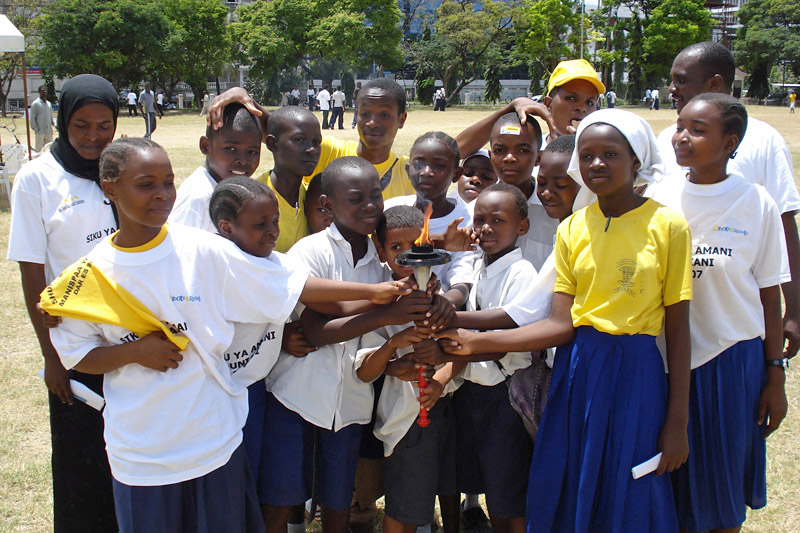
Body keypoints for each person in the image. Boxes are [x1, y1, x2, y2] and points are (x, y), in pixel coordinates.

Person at [43, 139, 414, 532]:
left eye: (168, 182)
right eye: (145, 184)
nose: (162, 195)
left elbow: (292, 283)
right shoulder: (91, 275)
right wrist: (136, 352)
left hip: (213, 441)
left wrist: (373, 292)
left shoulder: (201, 250)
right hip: (144, 453)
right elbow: (77, 353)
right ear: (109, 188)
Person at [439, 109, 693, 532]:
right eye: (587, 155)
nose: (596, 164)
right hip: (577, 368)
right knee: (573, 475)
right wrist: (472, 339)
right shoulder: (574, 228)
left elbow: (679, 329)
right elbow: (560, 325)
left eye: (610, 154)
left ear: (636, 161)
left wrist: (678, 422)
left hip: (636, 371)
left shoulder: (667, 225)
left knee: (629, 477)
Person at [647, 93, 789, 533]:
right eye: (680, 125)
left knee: (723, 495)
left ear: (730, 143)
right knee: (667, 486)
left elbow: (769, 298)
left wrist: (775, 375)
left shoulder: (756, 202)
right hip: (664, 362)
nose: (681, 137)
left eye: (698, 129)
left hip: (731, 364)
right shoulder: (656, 198)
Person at [259, 157, 414, 533]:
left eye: (376, 196)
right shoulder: (310, 253)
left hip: (350, 405)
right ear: (327, 205)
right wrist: (385, 311)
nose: (370, 206)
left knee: (338, 497)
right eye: (356, 198)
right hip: (295, 395)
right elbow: (313, 329)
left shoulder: (384, 267)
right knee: (281, 497)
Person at [7, 73, 121, 532]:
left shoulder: (120, 166)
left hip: (128, 342)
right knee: (81, 462)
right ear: (62, 122)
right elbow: (32, 273)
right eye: (81, 126)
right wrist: (51, 357)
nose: (94, 137)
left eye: (104, 125)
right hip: (75, 348)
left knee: (127, 458)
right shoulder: (37, 179)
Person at [657, 41, 800, 359]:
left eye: (681, 79)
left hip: (735, 329)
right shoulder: (667, 140)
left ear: (715, 83)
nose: (672, 88)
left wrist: (795, 309)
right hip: (674, 333)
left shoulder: (764, 140)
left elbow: (783, 225)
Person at [356, 205, 464, 533]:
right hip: (405, 418)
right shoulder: (382, 302)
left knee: (427, 493)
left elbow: (463, 349)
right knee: (403, 506)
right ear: (381, 251)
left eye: (414, 246)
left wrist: (441, 378)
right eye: (395, 248)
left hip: (441, 408)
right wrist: (394, 349)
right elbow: (365, 368)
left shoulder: (443, 298)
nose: (406, 257)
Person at [442, 182, 536, 533]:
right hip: (475, 392)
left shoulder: (520, 273)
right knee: (490, 482)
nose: (486, 229)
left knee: (507, 489)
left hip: (504, 397)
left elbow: (505, 340)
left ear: (521, 227)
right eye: (479, 220)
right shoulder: (480, 264)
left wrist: (456, 337)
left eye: (498, 220)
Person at [384, 132, 474, 307]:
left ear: (456, 174)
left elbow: (462, 279)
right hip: (391, 310)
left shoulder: (464, 219)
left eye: (439, 165)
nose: (426, 172)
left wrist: (443, 304)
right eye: (418, 164)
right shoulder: (390, 210)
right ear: (408, 171)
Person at [169, 103, 262, 233]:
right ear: (206, 146)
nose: (242, 160)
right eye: (231, 149)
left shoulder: (231, 191)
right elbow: (180, 250)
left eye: (252, 152)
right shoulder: (199, 197)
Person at [487, 112, 557, 271]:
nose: (510, 158)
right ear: (491, 156)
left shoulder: (553, 212)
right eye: (500, 150)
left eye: (523, 150)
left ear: (539, 158)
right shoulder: (475, 212)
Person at [261, 105, 323, 251]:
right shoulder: (255, 198)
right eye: (299, 140)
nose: (312, 150)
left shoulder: (312, 198)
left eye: (316, 142)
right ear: (272, 144)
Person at [30, 84, 55, 152]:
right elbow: (32, 118)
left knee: (48, 149)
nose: (44, 92)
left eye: (46, 91)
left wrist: (55, 124)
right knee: (39, 150)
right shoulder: (35, 104)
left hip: (48, 130)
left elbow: (51, 116)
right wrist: (36, 129)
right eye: (43, 90)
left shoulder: (48, 104)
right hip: (40, 131)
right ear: (39, 92)